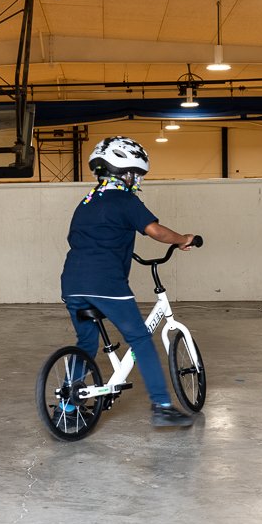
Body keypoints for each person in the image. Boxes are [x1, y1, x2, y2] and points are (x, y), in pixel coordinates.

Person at [60, 136, 197, 428]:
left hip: (72, 282)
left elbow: (83, 237)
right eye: (137, 174)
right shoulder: (124, 199)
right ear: (126, 172)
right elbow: (155, 231)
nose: (138, 180)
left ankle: (68, 407)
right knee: (140, 339)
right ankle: (162, 407)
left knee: (86, 342)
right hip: (105, 282)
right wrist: (182, 239)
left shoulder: (87, 201)